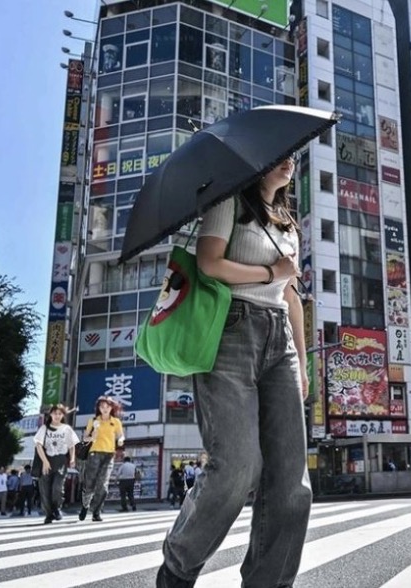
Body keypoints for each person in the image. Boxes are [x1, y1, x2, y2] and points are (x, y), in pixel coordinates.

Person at [157, 155, 311, 588]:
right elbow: (209, 264)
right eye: (279, 157)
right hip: (231, 331)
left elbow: (292, 297)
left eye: (293, 157)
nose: (288, 162)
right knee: (238, 466)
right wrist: (270, 271)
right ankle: (178, 567)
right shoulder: (227, 201)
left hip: (280, 339)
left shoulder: (287, 225)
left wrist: (303, 364)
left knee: (290, 478)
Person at [81, 396, 125, 523]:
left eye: (107, 407)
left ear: (111, 408)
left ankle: (97, 512)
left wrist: (121, 440)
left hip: (109, 454)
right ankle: (85, 505)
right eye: (102, 407)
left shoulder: (115, 421)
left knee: (103, 485)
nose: (105, 409)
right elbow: (85, 438)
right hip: (94, 453)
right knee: (90, 484)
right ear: (98, 408)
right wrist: (92, 436)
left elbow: (121, 435)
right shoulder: (93, 420)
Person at [34, 404, 79, 524]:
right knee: (45, 489)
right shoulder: (44, 428)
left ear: (63, 415)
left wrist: (72, 459)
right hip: (46, 459)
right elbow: (38, 445)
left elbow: (72, 446)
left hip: (60, 461)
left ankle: (56, 508)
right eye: (55, 413)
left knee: (57, 488)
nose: (57, 416)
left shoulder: (67, 429)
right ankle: (49, 514)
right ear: (51, 414)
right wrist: (44, 461)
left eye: (60, 413)